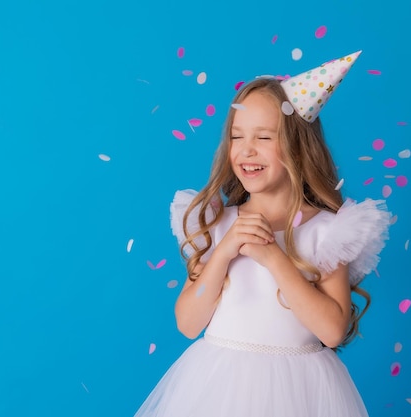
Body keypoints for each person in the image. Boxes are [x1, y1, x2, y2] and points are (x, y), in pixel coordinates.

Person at [134, 51, 391, 417]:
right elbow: (188, 324)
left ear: (298, 147)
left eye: (264, 137)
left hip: (301, 395)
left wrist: (274, 257)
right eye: (237, 136)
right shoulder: (216, 223)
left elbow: (333, 331)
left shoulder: (329, 232)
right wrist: (223, 252)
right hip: (217, 391)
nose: (247, 150)